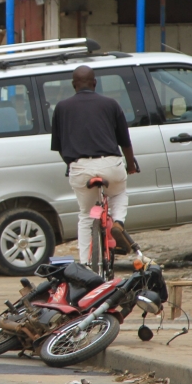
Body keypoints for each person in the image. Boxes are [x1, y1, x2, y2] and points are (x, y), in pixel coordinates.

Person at [50, 66, 137, 265]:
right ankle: (118, 223)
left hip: (80, 169)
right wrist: (130, 165)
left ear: (74, 85)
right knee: (118, 193)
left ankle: (85, 266)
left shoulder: (61, 108)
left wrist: (73, 163)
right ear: (95, 83)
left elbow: (60, 147)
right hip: (110, 165)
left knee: (86, 215)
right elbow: (125, 141)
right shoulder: (111, 104)